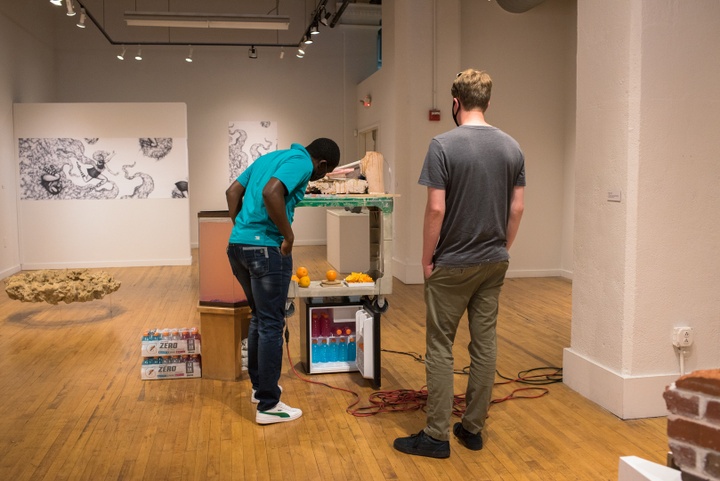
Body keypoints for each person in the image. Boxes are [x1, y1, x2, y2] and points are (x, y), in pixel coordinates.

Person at [394, 69, 526, 458]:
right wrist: (504, 245)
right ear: (487, 102)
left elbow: (436, 209)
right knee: (485, 346)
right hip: (493, 261)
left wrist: (425, 259)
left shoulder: (442, 145)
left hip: (451, 263)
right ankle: (472, 429)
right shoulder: (512, 147)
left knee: (440, 347)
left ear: (456, 102)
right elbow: (517, 207)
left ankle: (436, 436)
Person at [226, 138, 340, 425]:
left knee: (259, 319)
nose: (321, 176)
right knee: (271, 325)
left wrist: (241, 229)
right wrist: (288, 236)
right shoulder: (303, 163)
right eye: (325, 172)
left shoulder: (270, 157)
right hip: (266, 249)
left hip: (237, 247)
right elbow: (271, 192)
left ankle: (259, 389)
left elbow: (232, 192)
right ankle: (269, 405)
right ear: (322, 164)